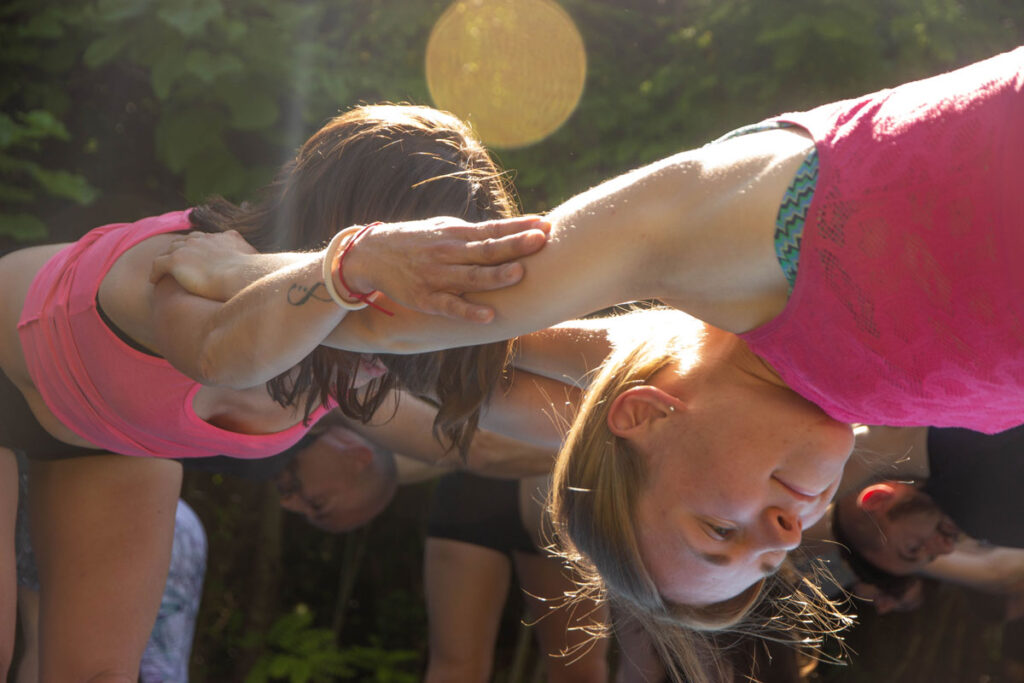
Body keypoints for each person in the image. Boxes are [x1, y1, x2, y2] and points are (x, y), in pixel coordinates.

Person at [148, 48, 1024, 681]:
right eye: (766, 558)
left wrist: (251, 275)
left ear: (645, 415)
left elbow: (416, 321)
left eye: (720, 532)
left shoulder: (715, 240)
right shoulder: (839, 379)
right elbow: (556, 371)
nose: (784, 535)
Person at [0, 103, 550, 680]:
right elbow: (219, 355)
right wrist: (347, 271)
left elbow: (467, 434)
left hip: (109, 437)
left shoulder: (366, 347)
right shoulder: (195, 258)